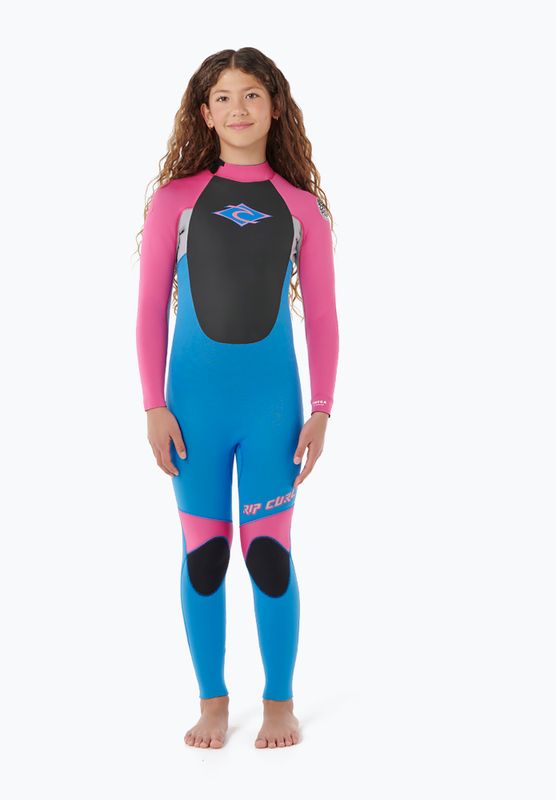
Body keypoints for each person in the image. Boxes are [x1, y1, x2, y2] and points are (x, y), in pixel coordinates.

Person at [135, 47, 339, 749]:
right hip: (193, 410)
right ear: (204, 113)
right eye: (222, 97)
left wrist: (322, 410)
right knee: (205, 555)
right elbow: (148, 310)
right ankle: (213, 701)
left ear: (275, 107)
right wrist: (153, 404)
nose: (238, 108)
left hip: (272, 411)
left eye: (252, 94)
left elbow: (324, 316)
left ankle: (279, 701)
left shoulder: (300, 207)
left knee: (268, 555)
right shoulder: (175, 201)